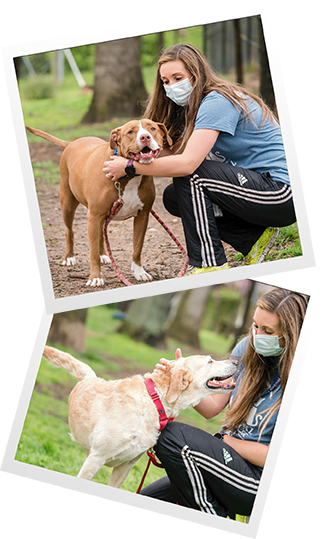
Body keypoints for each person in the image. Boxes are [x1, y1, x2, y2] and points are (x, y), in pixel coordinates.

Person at [103, 43, 297, 275]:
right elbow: (175, 154)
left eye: (178, 78)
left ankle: (209, 263)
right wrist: (136, 150)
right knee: (174, 197)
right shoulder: (193, 108)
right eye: (165, 82)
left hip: (281, 193)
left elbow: (187, 163)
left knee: (191, 176)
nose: (172, 86)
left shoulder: (217, 101)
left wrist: (130, 168)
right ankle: (252, 239)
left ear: (196, 75)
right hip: (255, 189)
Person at [139, 288, 308, 519]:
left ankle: (213, 520)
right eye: (255, 326)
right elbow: (212, 407)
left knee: (172, 437)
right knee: (145, 502)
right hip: (226, 460)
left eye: (267, 331)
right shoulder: (247, 348)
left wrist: (228, 442)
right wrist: (181, 381)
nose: (257, 335)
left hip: (259, 483)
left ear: (292, 334)